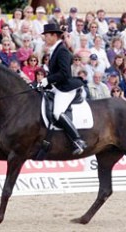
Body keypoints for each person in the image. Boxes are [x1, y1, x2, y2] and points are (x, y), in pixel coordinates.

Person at [39, 23, 87, 155]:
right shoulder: (55, 49)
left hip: (65, 88)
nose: (45, 38)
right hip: (57, 86)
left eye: (47, 35)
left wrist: (48, 80)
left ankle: (78, 140)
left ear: (54, 35)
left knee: (57, 112)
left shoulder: (62, 51)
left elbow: (65, 73)